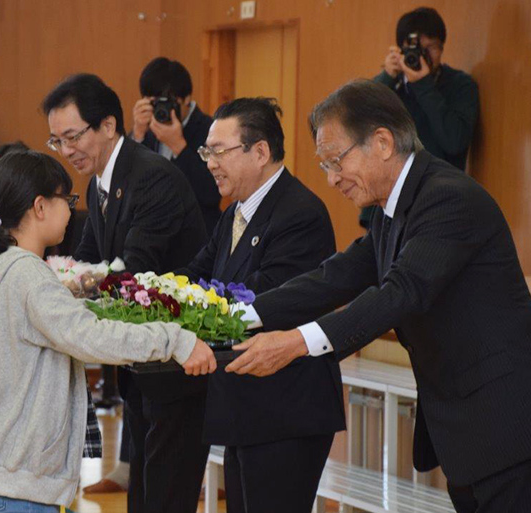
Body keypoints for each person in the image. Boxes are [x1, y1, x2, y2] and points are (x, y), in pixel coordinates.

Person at [226, 79, 531, 513]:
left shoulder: (448, 199)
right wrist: (240, 316)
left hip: (505, 428)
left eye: (335, 161)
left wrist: (295, 343)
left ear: (383, 142)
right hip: (470, 433)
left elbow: (400, 292)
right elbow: (333, 277)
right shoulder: (392, 209)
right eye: (324, 165)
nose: (331, 179)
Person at [0, 149, 216, 513]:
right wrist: (175, 340)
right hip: (16, 480)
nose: (71, 210)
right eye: (66, 199)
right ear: (40, 207)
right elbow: (91, 337)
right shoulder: (27, 276)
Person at [42, 73, 209, 513]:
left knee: (165, 492)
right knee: (144, 489)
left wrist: (71, 287)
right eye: (56, 141)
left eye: (73, 136)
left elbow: (130, 269)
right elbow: (83, 258)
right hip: (140, 361)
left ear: (109, 126)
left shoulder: (152, 177)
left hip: (176, 363)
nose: (66, 150)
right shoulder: (101, 180)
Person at [178, 97, 343, 513]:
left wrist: (186, 308)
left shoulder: (300, 212)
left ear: (261, 152)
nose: (210, 162)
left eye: (219, 151)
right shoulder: (235, 211)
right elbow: (196, 274)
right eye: (205, 151)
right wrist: (153, 295)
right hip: (244, 404)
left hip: (285, 411)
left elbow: (265, 296)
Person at [362, 6, 479, 227]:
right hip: (384, 208)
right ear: (400, 50)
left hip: (441, 204)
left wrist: (423, 85)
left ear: (442, 48)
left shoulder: (460, 85)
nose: (423, 56)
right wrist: (386, 78)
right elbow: (359, 124)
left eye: (431, 47)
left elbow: (455, 141)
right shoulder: (390, 85)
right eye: (415, 49)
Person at [132, 57, 221, 237]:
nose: (162, 109)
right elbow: (128, 185)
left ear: (187, 98)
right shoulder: (147, 128)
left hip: (197, 235)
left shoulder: (210, 130)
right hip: (154, 233)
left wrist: (179, 147)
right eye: (154, 103)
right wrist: (137, 136)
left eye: (167, 102)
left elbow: (212, 193)